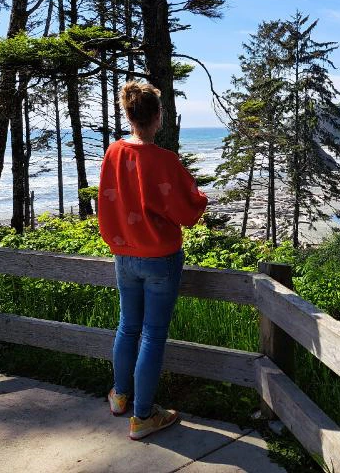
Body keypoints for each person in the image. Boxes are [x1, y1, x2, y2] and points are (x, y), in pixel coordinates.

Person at [98, 80, 208, 440]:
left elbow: (107, 200)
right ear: (158, 116)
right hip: (160, 257)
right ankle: (143, 416)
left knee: (127, 326)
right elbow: (188, 209)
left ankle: (120, 397)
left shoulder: (114, 153)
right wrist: (200, 198)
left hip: (124, 254)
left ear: (129, 115)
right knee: (153, 334)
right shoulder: (164, 160)